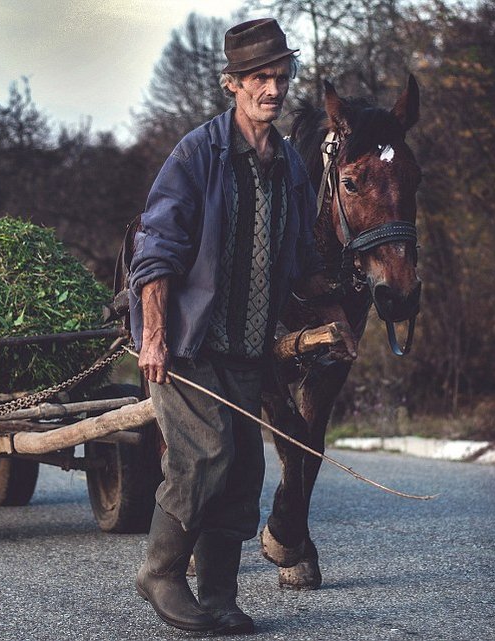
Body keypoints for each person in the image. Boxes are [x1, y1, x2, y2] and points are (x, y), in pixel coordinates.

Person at [128, 18, 356, 634]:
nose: (273, 89)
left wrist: (337, 313)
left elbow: (304, 266)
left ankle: (221, 595)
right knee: (207, 453)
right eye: (260, 77)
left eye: (281, 77)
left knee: (245, 471)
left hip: (248, 348)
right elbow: (156, 252)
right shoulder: (197, 154)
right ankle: (162, 571)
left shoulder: (287, 165)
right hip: (186, 343)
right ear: (232, 84)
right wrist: (153, 337)